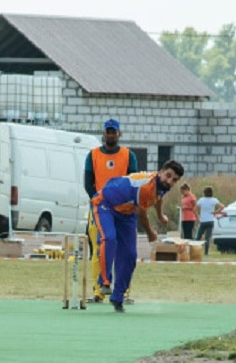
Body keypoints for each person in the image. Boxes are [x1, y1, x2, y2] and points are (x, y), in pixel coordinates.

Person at [92, 160, 184, 313]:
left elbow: (158, 198)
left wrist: (160, 215)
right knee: (109, 238)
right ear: (160, 172)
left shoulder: (161, 186)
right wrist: (151, 234)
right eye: (168, 176)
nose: (169, 181)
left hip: (127, 213)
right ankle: (104, 282)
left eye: (174, 180)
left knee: (129, 255)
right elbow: (142, 215)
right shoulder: (147, 187)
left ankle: (117, 297)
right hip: (105, 204)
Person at [83, 118, 138, 301]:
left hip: (123, 209)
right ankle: (99, 292)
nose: (111, 134)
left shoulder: (128, 155)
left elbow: (134, 181)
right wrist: (99, 200)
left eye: (114, 132)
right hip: (101, 208)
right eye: (108, 131)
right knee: (100, 248)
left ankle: (123, 292)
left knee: (124, 251)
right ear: (104, 133)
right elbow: (88, 184)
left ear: (119, 134)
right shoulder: (93, 155)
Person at [194, 186, 224, 255]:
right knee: (207, 237)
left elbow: (194, 209)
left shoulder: (201, 200)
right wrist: (215, 212)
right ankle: (206, 252)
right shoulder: (214, 200)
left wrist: (197, 217)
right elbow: (222, 206)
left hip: (203, 221)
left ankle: (195, 250)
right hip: (210, 220)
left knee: (198, 236)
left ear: (204, 193)